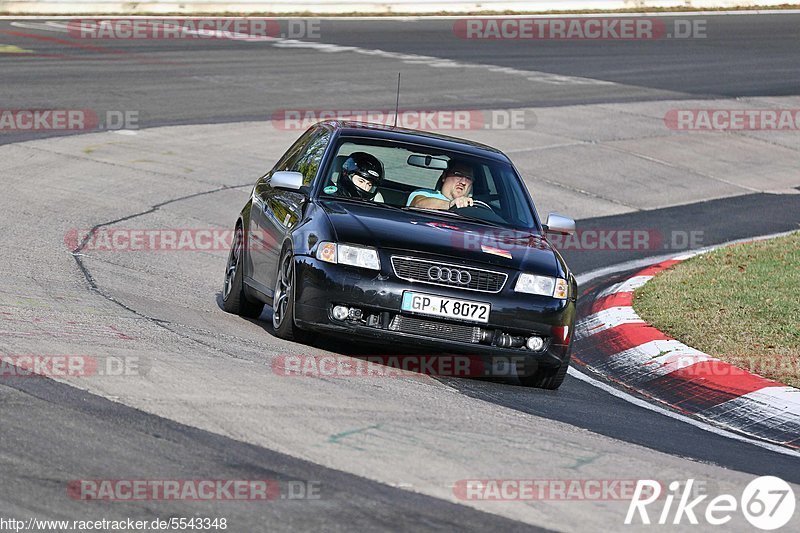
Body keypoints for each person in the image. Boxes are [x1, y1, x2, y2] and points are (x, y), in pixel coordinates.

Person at [407, 160, 474, 209]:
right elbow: (418, 204)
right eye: (458, 175)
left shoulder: (475, 206)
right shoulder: (424, 194)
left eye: (468, 178)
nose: (463, 182)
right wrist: (451, 205)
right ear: (444, 177)